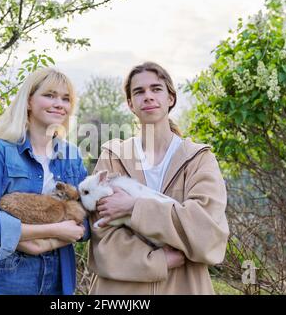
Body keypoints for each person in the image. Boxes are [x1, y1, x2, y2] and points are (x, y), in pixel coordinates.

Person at [88, 62, 229, 294]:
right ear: (130, 104)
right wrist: (159, 260)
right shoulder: (113, 157)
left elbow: (206, 232)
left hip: (185, 285)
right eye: (139, 92)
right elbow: (102, 234)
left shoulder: (199, 159)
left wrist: (133, 207)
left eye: (156, 89)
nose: (148, 96)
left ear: (171, 98)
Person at [0, 67, 89, 295]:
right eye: (49, 95)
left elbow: (86, 225)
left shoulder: (72, 156)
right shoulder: (1, 151)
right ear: (28, 101)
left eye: (66, 99)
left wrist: (40, 243)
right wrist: (57, 229)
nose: (59, 104)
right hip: (8, 277)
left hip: (58, 280)